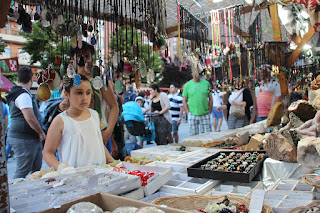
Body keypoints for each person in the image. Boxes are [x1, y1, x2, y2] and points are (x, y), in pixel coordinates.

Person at [43, 74, 114, 170]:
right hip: (74, 178)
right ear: (67, 94)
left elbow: (98, 142)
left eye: (88, 93)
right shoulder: (60, 121)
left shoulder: (94, 115)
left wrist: (112, 161)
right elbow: (48, 153)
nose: (84, 98)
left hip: (100, 174)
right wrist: (62, 169)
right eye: (79, 93)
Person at [70, 41, 119, 153]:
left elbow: (114, 107)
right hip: (75, 134)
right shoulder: (69, 80)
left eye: (87, 56)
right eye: (79, 56)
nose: (83, 59)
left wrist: (108, 132)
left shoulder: (99, 79)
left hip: (99, 132)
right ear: (72, 58)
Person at [6, 66, 46, 178]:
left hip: (27, 137)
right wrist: (41, 132)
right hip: (24, 137)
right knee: (23, 170)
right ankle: (16, 193)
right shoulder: (23, 95)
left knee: (35, 169)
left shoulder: (16, 92)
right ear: (31, 79)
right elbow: (30, 118)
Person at [182, 70, 212, 136]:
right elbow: (184, 100)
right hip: (192, 114)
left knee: (207, 135)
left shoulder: (207, 84)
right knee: (193, 136)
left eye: (198, 73)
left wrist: (209, 111)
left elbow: (210, 98)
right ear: (192, 74)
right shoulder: (187, 85)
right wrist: (187, 112)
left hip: (205, 113)